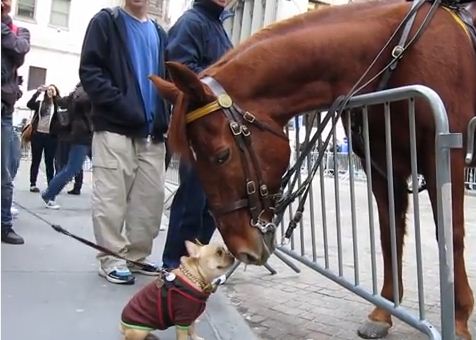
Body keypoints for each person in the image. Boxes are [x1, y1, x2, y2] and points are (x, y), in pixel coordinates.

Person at [80, 0, 169, 284]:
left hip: (152, 134)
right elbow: (91, 72)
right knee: (111, 199)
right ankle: (110, 258)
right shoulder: (106, 21)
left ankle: (137, 256)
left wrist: (164, 117)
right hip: (115, 128)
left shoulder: (159, 32)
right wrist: (124, 106)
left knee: (150, 202)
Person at [161, 0, 233, 269]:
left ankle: (191, 265)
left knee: (208, 206)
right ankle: (173, 265)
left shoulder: (215, 25)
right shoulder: (192, 22)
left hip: (213, 131)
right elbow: (181, 74)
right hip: (199, 130)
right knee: (192, 202)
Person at [1, 0, 30, 244]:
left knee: (5, 172)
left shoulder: (19, 30)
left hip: (4, 110)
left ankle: (3, 224)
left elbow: (20, 49)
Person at [40, 83, 92, 209]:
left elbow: (62, 102)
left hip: (84, 134)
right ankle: (49, 194)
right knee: (72, 168)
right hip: (84, 135)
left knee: (74, 168)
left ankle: (49, 194)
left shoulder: (78, 92)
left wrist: (54, 95)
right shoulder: (86, 92)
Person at [27, 84, 61, 193]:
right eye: (49, 90)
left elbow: (63, 105)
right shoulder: (40, 104)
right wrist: (37, 92)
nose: (50, 91)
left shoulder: (56, 105)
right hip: (38, 135)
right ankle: (33, 183)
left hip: (51, 137)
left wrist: (56, 96)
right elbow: (29, 104)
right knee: (35, 160)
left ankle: (50, 184)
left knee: (49, 161)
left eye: (52, 90)